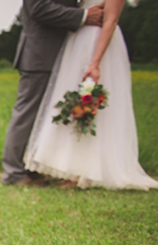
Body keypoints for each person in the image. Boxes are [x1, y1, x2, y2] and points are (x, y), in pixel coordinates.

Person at [24, 0, 158, 189]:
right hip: (78, 41)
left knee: (93, 107)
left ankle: (88, 172)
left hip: (99, 44)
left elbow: (110, 21)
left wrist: (95, 63)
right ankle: (71, 169)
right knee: (73, 104)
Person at [1, 0, 104, 186]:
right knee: (27, 114)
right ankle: (14, 173)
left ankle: (31, 168)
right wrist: (84, 16)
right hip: (40, 55)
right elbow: (38, 7)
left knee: (46, 116)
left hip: (62, 53)